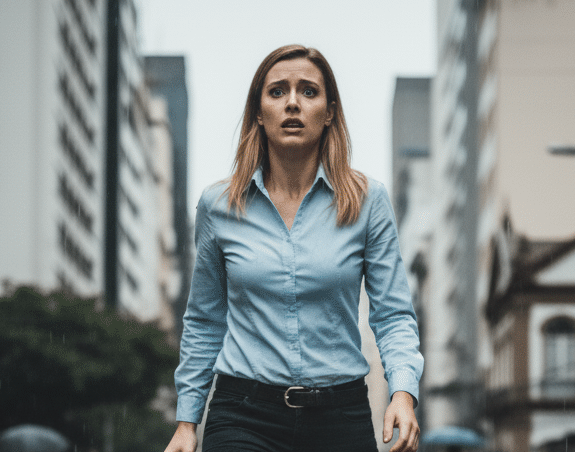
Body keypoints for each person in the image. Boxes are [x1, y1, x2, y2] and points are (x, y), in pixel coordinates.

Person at [163, 44, 424, 452]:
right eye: (278, 91)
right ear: (258, 113)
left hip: (341, 415)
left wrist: (403, 394)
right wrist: (186, 422)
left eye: (308, 91)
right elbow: (204, 322)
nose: (292, 104)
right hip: (242, 417)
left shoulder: (367, 200)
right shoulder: (219, 206)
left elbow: (392, 314)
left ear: (330, 111)